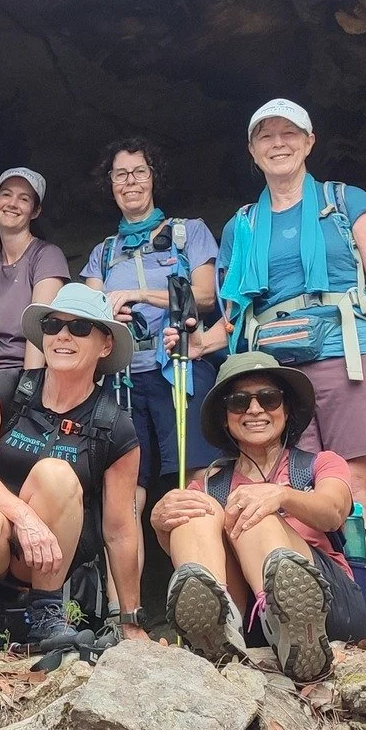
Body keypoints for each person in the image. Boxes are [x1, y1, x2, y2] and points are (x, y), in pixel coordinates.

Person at [180, 99, 366, 642]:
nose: (278, 143)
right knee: (288, 485)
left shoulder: (345, 202)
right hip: (274, 375)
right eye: (266, 135)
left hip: (348, 352)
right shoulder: (243, 223)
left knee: (359, 488)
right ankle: (304, 610)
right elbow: (233, 317)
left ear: (309, 142)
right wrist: (191, 347)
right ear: (252, 150)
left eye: (290, 133)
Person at [0, 284, 146, 651]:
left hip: (45, 559)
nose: (63, 336)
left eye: (80, 328)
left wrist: (131, 619)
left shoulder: (113, 425)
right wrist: (24, 518)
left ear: (106, 345)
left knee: (53, 474)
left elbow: (119, 530)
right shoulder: (4, 388)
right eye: (53, 326)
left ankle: (45, 613)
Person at [149, 352, 366, 682]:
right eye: (239, 402)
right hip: (249, 619)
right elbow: (186, 547)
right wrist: (160, 524)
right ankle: (217, 632)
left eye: (268, 398)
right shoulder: (208, 484)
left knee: (251, 510)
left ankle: (295, 625)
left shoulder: (320, 463)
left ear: (286, 408)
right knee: (194, 510)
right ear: (226, 417)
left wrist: (280, 495)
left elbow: (333, 512)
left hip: (330, 607)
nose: (254, 410)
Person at [82, 138, 222, 500]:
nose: (131, 181)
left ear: (153, 177)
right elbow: (91, 312)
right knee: (126, 489)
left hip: (180, 364)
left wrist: (140, 295)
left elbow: (206, 297)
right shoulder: (104, 252)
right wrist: (106, 311)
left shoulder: (188, 232)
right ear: (110, 184)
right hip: (123, 376)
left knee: (194, 478)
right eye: (120, 174)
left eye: (139, 172)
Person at [0, 167, 71, 373]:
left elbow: (40, 324)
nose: (12, 204)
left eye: (24, 199)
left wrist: (28, 386)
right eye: (6, 195)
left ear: (35, 211)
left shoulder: (46, 256)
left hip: (23, 371)